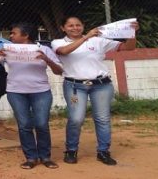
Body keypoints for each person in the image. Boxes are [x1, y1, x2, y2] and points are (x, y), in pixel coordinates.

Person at [51, 16, 138, 166]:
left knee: (102, 119)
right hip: (75, 87)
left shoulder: (98, 40)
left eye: (78, 25)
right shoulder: (58, 42)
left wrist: (132, 33)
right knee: (76, 118)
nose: (75, 28)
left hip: (101, 85)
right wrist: (86, 37)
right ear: (62, 28)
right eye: (70, 25)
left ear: (83, 26)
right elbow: (64, 52)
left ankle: (103, 151)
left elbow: (127, 47)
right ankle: (71, 150)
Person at [0, 22, 63, 169]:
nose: (10, 36)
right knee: (24, 125)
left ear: (26, 35)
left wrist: (47, 60)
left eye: (14, 33)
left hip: (41, 91)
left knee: (41, 124)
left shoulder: (44, 49)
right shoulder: (8, 49)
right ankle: (31, 157)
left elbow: (59, 71)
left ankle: (45, 156)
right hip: (16, 92)